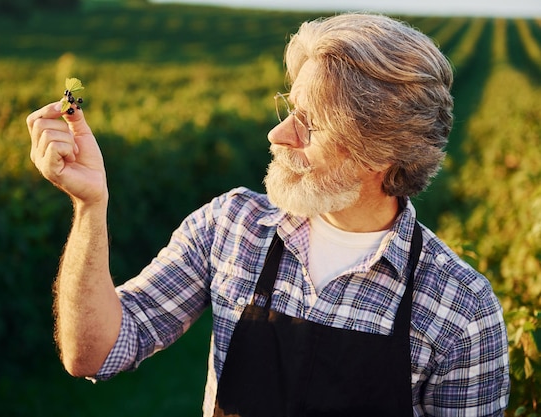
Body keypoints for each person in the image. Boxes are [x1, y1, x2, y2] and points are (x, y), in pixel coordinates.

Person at [26, 12, 510, 417]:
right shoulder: (231, 227)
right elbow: (96, 352)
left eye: (310, 124)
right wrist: (91, 205)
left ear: (381, 151)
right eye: (289, 108)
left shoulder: (460, 310)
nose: (278, 135)